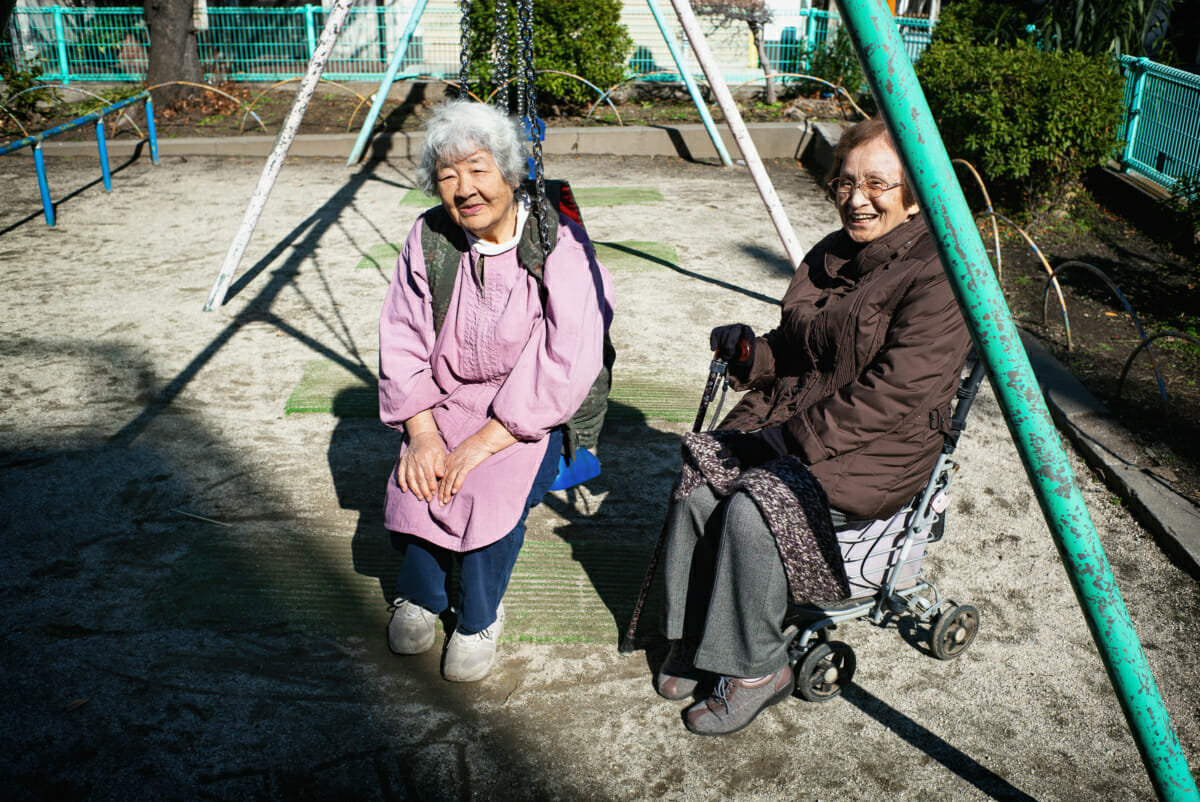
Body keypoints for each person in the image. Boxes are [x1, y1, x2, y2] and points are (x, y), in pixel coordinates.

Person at [656, 117, 972, 735]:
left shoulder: (940, 270)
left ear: (915, 192)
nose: (856, 199)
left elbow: (898, 390)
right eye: (845, 182)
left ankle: (757, 668)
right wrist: (752, 356)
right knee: (700, 475)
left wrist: (787, 441)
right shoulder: (833, 252)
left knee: (756, 505)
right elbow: (801, 348)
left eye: (878, 184)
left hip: (880, 444)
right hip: (797, 420)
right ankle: (697, 637)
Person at [378, 100, 613, 682]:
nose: (464, 189)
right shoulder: (429, 238)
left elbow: (569, 353)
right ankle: (422, 594)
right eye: (448, 175)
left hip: (531, 407)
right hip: (446, 396)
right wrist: (424, 431)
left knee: (482, 485)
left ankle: (480, 615)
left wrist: (485, 440)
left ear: (510, 173)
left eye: (479, 169)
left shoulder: (556, 241)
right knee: (417, 478)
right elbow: (402, 336)